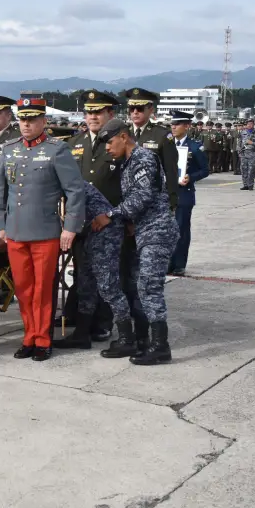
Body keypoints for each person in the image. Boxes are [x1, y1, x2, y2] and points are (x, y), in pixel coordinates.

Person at [0, 96, 86, 360]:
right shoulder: (9, 149)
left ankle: (43, 339)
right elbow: (0, 191)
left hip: (46, 232)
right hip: (15, 231)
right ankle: (29, 336)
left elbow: (75, 191)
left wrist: (70, 227)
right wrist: (1, 225)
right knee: (23, 288)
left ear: (43, 121)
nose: (26, 124)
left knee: (44, 289)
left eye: (32, 119)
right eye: (23, 119)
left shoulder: (57, 150)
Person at [90, 119, 179, 365]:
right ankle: (140, 341)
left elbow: (142, 196)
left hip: (157, 232)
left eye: (109, 142)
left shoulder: (143, 158)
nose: (107, 148)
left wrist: (110, 215)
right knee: (138, 286)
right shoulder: (128, 163)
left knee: (149, 287)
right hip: (143, 232)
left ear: (123, 136)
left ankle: (161, 346)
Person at [64, 90, 124, 343]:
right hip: (79, 222)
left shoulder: (119, 145)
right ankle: (79, 317)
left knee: (108, 276)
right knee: (81, 273)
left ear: (111, 113)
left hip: (109, 222)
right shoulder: (73, 144)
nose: (92, 117)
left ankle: (103, 322)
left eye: (98, 112)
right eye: (89, 112)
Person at [167, 110, 209, 276]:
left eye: (177, 124)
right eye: (172, 124)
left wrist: (190, 177)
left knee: (181, 230)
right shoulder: (167, 145)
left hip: (184, 193)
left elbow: (205, 170)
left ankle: (179, 264)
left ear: (187, 126)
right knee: (166, 231)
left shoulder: (195, 147)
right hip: (166, 194)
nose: (173, 127)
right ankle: (167, 262)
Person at [121, 88, 178, 210]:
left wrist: (172, 202)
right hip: (126, 200)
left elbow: (171, 171)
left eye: (140, 109)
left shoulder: (162, 135)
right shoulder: (123, 133)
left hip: (153, 201)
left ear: (151, 109)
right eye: (132, 109)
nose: (135, 112)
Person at [239, 118, 255, 190]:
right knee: (243, 169)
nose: (249, 125)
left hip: (252, 154)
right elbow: (239, 142)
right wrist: (239, 150)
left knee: (251, 170)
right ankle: (245, 185)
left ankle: (250, 185)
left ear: (253, 124)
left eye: (251, 124)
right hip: (244, 153)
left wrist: (252, 143)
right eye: (248, 124)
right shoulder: (242, 132)